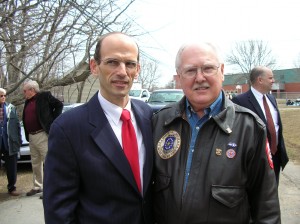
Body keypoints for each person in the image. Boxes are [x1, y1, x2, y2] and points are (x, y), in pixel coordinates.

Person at [152, 42, 280, 223]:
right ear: (179, 77)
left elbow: (266, 207)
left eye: (208, 68)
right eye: (190, 71)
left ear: (221, 71)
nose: (199, 78)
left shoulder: (250, 128)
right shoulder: (159, 123)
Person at [43, 32, 154, 224]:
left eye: (129, 64)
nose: (122, 71)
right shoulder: (67, 128)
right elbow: (59, 211)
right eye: (112, 62)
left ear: (137, 70)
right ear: (94, 67)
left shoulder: (148, 115)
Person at [232, 66, 289, 185]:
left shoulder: (271, 99)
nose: (273, 81)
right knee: (258, 193)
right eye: (270, 78)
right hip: (256, 159)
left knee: (273, 190)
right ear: (260, 80)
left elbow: (276, 126)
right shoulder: (240, 101)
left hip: (276, 156)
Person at [22, 80, 63, 198]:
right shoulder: (27, 101)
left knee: (48, 161)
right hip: (31, 136)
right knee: (35, 163)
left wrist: (53, 122)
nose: (24, 93)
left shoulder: (44, 96)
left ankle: (51, 189)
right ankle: (37, 186)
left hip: (42, 134)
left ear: (32, 90)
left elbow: (59, 105)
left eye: (25, 91)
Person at [0, 88, 22, 196]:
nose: (3, 97)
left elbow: (17, 125)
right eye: (1, 96)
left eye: (4, 95)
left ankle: (12, 188)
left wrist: (19, 140)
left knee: (12, 166)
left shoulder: (11, 108)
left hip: (9, 142)